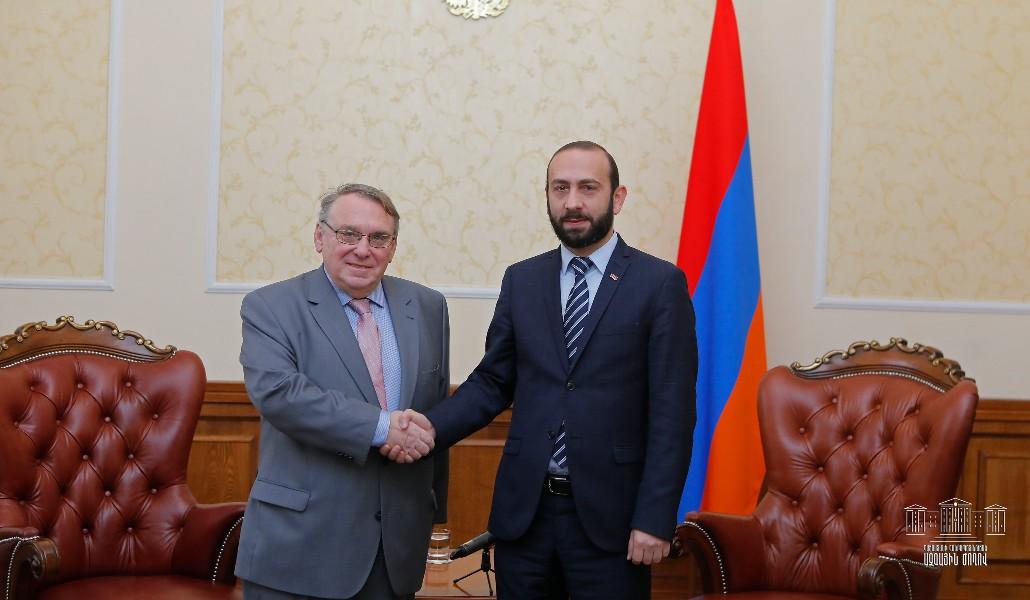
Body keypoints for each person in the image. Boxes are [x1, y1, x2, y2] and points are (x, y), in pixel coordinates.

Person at [400, 141, 698, 599]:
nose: (572, 202)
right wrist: (429, 429)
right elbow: (493, 382)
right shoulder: (523, 279)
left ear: (618, 198)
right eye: (560, 188)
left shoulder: (659, 284)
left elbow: (672, 414)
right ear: (547, 196)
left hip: (613, 521)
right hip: (525, 518)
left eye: (588, 188)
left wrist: (655, 517)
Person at [234, 183, 449, 600]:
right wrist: (383, 428)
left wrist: (435, 513)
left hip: (395, 552)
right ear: (320, 237)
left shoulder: (427, 306)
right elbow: (281, 394)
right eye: (348, 234)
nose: (362, 249)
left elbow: (433, 407)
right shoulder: (270, 306)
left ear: (393, 247)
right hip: (299, 549)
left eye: (378, 238)